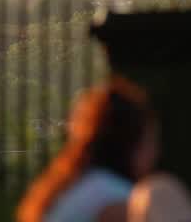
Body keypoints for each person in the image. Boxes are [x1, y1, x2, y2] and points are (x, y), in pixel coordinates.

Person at [17, 78, 162, 222]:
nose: (155, 152)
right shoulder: (115, 196)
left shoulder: (76, 185)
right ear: (131, 142)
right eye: (150, 140)